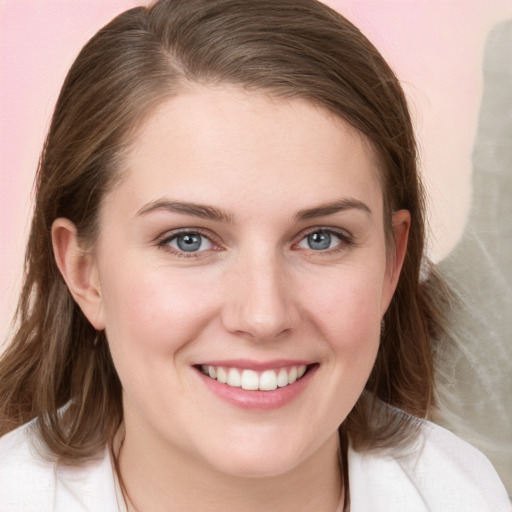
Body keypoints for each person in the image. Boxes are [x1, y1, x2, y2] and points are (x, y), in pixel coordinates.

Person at [0, 0, 509, 510]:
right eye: (188, 240)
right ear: (84, 273)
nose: (264, 316)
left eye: (321, 238)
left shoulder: (469, 495)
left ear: (391, 264)